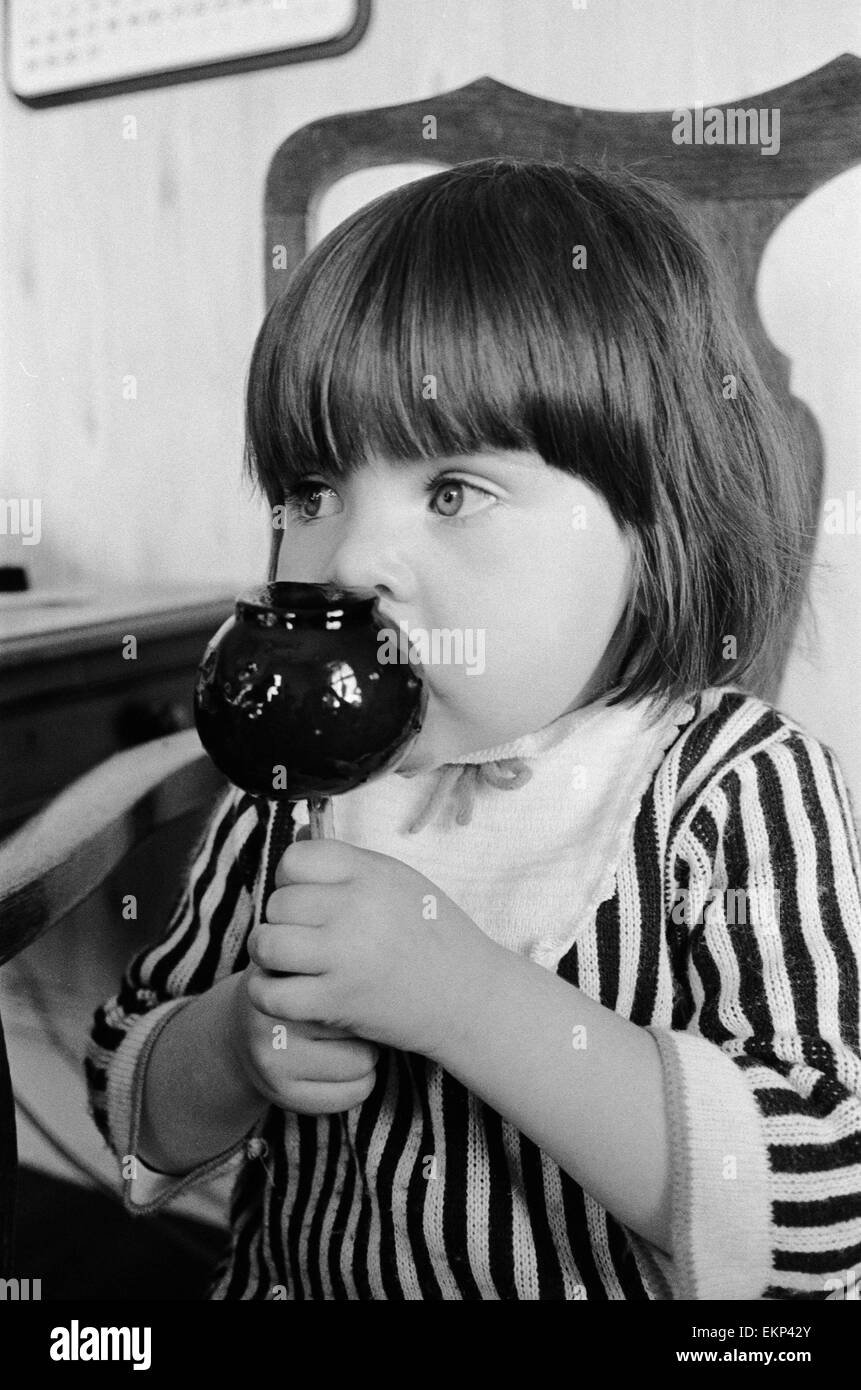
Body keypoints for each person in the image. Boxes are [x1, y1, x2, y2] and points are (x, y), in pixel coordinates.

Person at [86, 159, 861, 1300]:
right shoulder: (294, 787)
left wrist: (471, 1001)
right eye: (312, 491)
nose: (347, 561)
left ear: (657, 526)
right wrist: (237, 1040)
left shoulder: (737, 787)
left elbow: (826, 1199)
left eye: (453, 490)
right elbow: (127, 1085)